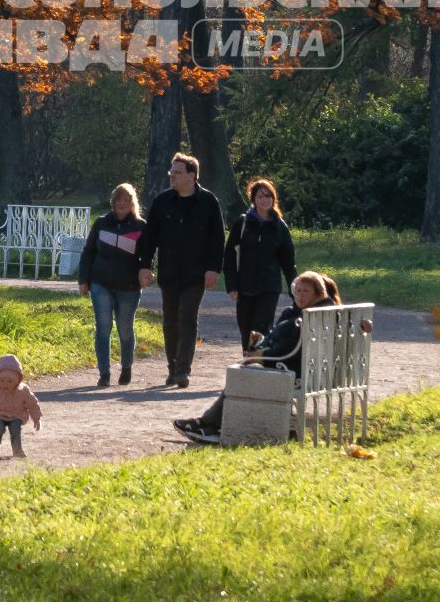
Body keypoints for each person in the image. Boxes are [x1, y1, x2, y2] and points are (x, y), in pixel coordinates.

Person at [171, 270, 370, 445]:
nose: (300, 295)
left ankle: (208, 424)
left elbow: (288, 353)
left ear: (319, 294)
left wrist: (259, 357)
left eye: (306, 291)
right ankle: (210, 424)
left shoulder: (307, 319)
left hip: (299, 374)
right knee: (247, 370)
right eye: (298, 290)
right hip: (319, 374)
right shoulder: (330, 315)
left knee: (244, 373)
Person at [137, 152, 226, 388]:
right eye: (171, 172)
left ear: (192, 175)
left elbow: (217, 239)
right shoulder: (162, 201)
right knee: (170, 320)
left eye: (177, 172)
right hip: (169, 272)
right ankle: (172, 366)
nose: (172, 176)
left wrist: (213, 269)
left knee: (187, 317)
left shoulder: (208, 202)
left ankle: (183, 369)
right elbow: (150, 237)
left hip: (196, 274)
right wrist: (145, 265)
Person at [77, 181, 147, 386]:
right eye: (118, 199)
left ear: (132, 203)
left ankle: (126, 367)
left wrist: (145, 272)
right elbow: (88, 253)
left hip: (129, 287)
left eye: (126, 200)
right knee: (103, 327)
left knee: (125, 329)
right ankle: (104, 374)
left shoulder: (140, 227)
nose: (122, 203)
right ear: (113, 201)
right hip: (101, 284)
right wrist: (83, 280)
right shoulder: (101, 223)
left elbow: (147, 256)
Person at [224, 177, 298, 354]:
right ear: (253, 200)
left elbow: (288, 262)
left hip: (269, 287)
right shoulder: (242, 224)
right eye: (260, 196)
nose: (264, 200)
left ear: (273, 199)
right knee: (246, 329)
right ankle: (248, 361)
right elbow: (229, 257)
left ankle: (260, 363)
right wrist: (232, 285)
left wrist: (294, 289)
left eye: (268, 196)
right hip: (244, 287)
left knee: (262, 328)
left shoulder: (280, 227)